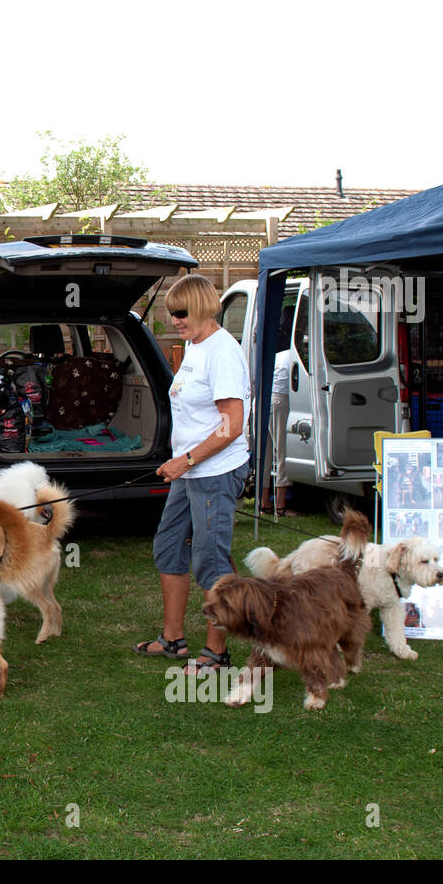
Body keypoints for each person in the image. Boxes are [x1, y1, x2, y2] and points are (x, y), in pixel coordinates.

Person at [134, 273, 251, 675]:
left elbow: (231, 424)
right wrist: (184, 462)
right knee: (168, 546)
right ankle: (173, 640)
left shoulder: (222, 352)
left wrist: (187, 460)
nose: (174, 321)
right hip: (191, 471)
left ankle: (216, 654)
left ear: (202, 307)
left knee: (209, 558)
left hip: (215, 471)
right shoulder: (194, 345)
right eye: (171, 314)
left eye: (181, 313)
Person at [263, 315, 298, 516]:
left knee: (265, 454)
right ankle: (281, 505)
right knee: (282, 452)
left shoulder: (277, 355)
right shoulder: (294, 354)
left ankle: (263, 502)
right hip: (279, 399)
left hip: (262, 399)